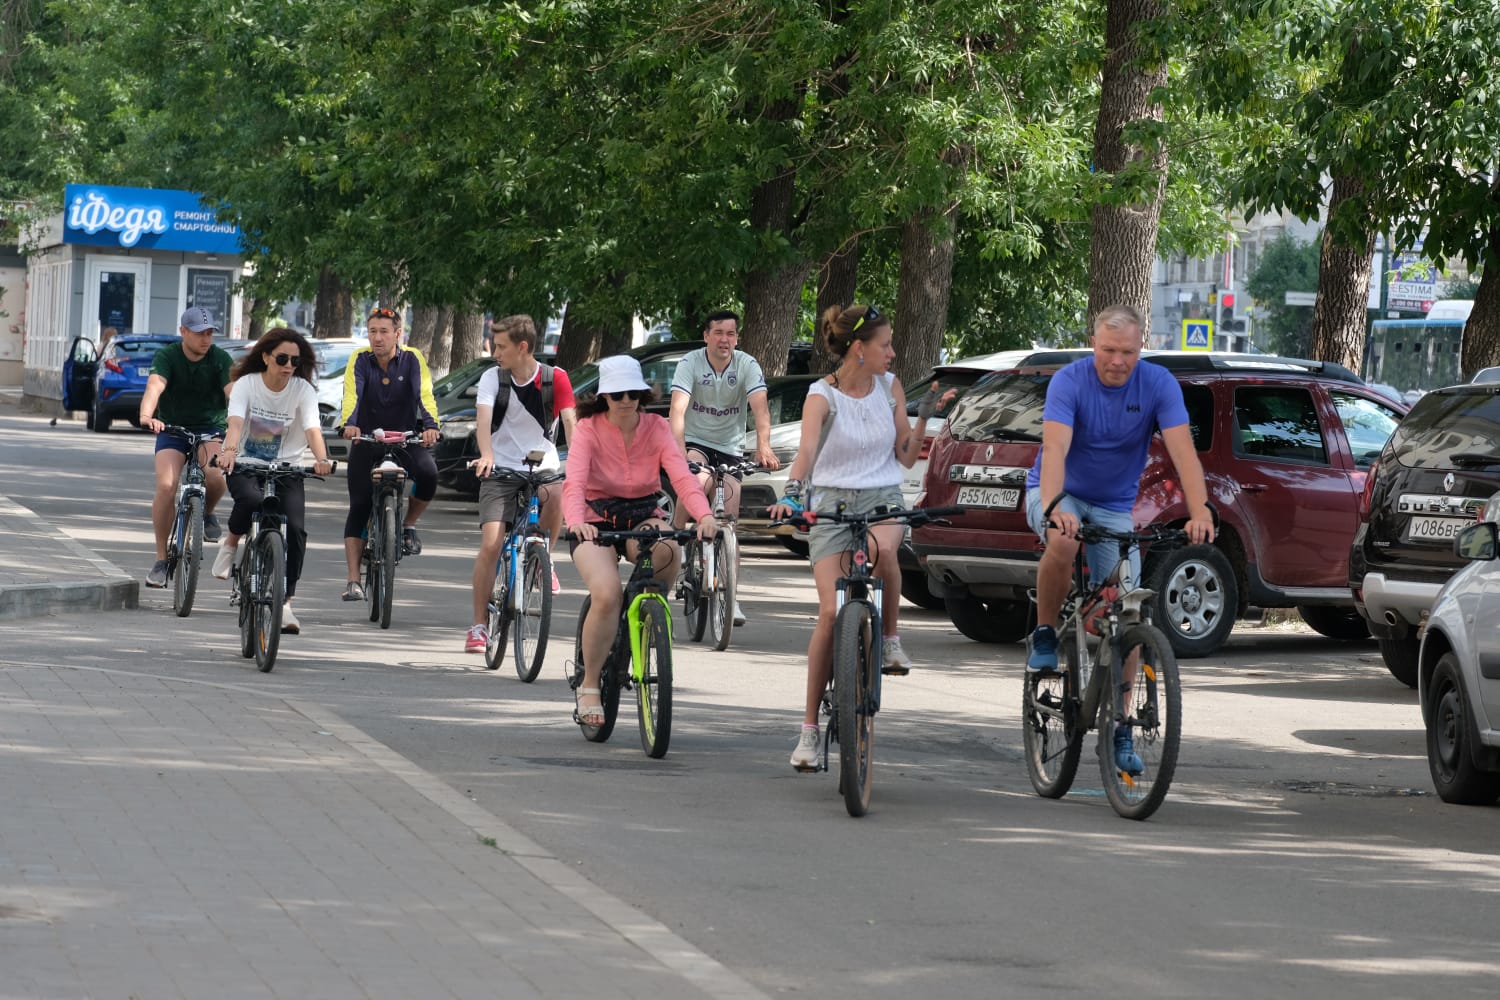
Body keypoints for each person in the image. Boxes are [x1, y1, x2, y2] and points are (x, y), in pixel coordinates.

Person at [1023, 304, 1215, 774]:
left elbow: (1182, 451)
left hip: (1113, 506)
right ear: (1094, 345)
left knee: (1127, 611)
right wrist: (1053, 507)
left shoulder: (1157, 385)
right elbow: (1056, 449)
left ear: (1140, 347)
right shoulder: (1069, 382)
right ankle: (1046, 631)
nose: (1117, 361)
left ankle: (1120, 728)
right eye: (1108, 350)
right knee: (1063, 542)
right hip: (1058, 491)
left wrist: (1200, 508)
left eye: (1127, 351)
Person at [769, 304, 943, 772]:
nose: (893, 352)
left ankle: (888, 639)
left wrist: (923, 421)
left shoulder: (890, 388)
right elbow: (806, 452)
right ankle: (808, 731)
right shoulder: (820, 395)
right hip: (831, 502)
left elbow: (905, 457)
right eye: (885, 345)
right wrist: (790, 494)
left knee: (885, 549)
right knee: (829, 611)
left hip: (882, 494)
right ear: (859, 350)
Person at [563, 356, 717, 726]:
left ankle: (646, 618)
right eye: (617, 394)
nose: (627, 399)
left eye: (634, 392)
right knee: (606, 594)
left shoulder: (657, 426)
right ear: (604, 397)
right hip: (595, 520)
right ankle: (589, 687)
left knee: (669, 550)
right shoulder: (588, 428)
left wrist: (705, 516)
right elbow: (575, 482)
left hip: (644, 514)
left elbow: (681, 476)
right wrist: (576, 522)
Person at [465, 314, 579, 653]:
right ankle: (479, 626)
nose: (495, 352)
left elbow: (571, 423)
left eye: (501, 346)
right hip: (499, 469)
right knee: (491, 544)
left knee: (557, 491)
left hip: (542, 467)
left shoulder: (555, 378)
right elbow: (483, 421)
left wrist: (579, 466)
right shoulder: (492, 378)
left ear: (523, 347)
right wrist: (486, 454)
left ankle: (544, 557)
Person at [210, 328, 333, 635]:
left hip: (287, 468)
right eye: (281, 358)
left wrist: (321, 459)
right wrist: (228, 452)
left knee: (296, 528)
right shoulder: (247, 385)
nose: (288, 365)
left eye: (294, 359)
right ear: (265, 357)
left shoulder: (303, 390)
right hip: (245, 463)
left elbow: (312, 429)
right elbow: (236, 421)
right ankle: (231, 543)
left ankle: (286, 602)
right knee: (250, 500)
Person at [668, 309, 780, 627]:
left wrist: (764, 445)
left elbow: (760, 408)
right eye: (718, 332)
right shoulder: (691, 363)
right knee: (695, 478)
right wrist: (678, 452)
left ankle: (731, 595)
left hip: (730, 447)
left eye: (730, 334)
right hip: (697, 442)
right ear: (706, 336)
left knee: (729, 519)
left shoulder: (747, 364)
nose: (724, 340)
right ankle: (676, 542)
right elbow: (678, 409)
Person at [337, 306, 441, 601]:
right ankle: (354, 580)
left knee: (429, 474)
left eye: (384, 332)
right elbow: (351, 394)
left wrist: (431, 426)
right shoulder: (359, 359)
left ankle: (407, 525)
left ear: (398, 334)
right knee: (359, 505)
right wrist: (350, 424)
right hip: (367, 439)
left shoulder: (412, 358)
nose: (378, 338)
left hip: (406, 439)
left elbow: (425, 394)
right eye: (373, 331)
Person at [138, 306, 233, 588]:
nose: (206, 339)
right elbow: (155, 386)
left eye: (210, 333)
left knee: (216, 477)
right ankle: (160, 559)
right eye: (199, 333)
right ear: (183, 332)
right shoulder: (168, 356)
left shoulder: (219, 358)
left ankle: (208, 511)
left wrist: (240, 420)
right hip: (173, 429)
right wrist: (146, 415)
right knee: (167, 485)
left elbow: (233, 392)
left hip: (210, 430)